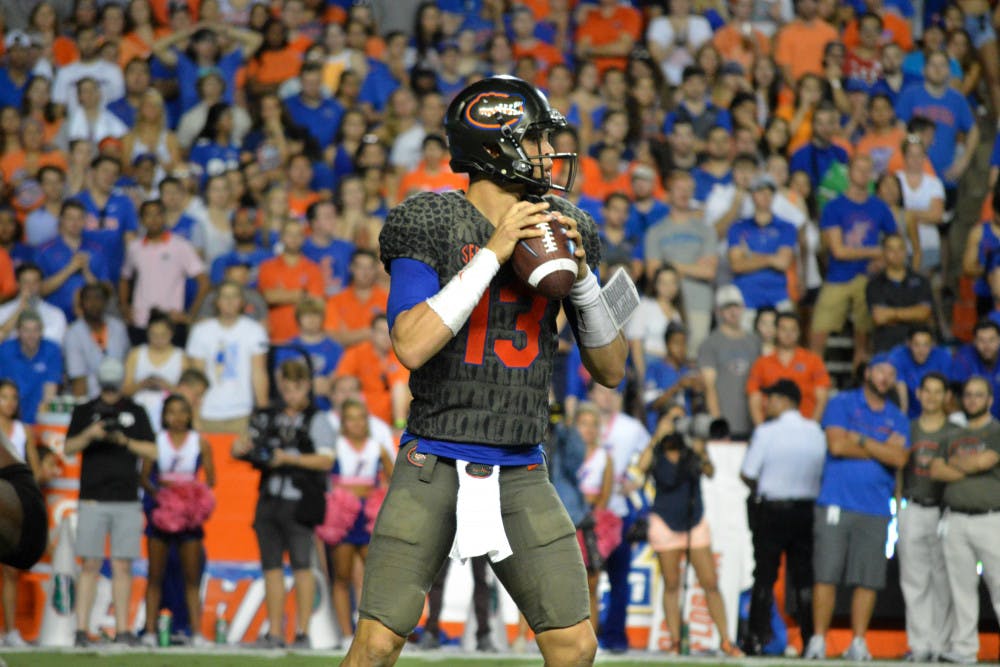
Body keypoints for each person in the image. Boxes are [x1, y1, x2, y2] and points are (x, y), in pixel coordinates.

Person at [342, 76, 630, 666]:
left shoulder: (567, 227)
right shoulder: (430, 220)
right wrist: (495, 253)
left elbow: (611, 369)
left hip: (521, 464)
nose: (552, 154)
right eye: (538, 141)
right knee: (376, 644)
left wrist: (582, 279)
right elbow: (412, 345)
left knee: (575, 645)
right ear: (494, 147)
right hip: (433, 461)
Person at [804, 354, 909, 660]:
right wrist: (882, 448)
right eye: (880, 371)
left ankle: (859, 642)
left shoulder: (897, 415)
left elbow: (900, 458)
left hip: (876, 506)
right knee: (826, 572)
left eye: (891, 373)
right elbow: (836, 445)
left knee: (869, 577)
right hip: (836, 502)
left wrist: (860, 440)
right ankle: (819, 640)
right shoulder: (842, 403)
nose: (884, 378)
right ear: (867, 373)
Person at [232, 359, 336, 649]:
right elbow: (246, 444)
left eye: (296, 388)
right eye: (286, 388)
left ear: (306, 386)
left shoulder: (317, 418)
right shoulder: (269, 417)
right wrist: (241, 448)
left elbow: (327, 459)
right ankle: (275, 633)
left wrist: (289, 458)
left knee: (302, 566)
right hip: (269, 497)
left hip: (300, 501)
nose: (289, 394)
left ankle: (302, 633)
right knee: (271, 567)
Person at [633, 409, 743, 656]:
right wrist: (657, 435)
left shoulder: (690, 449)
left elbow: (710, 471)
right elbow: (640, 467)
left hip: (694, 520)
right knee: (671, 584)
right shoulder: (658, 450)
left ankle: (726, 640)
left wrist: (700, 446)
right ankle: (674, 641)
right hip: (664, 521)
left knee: (710, 582)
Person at [63, 357, 157, 647]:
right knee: (90, 564)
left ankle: (123, 629)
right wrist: (91, 434)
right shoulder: (85, 410)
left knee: (122, 566)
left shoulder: (135, 411)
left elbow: (152, 450)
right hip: (93, 497)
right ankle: (80, 630)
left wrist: (124, 441)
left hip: (126, 498)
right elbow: (68, 448)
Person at [740, 379, 826, 655]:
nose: (768, 403)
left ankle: (756, 639)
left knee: (764, 575)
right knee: (803, 577)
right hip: (804, 510)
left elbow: (748, 473)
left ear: (786, 401)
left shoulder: (767, 432)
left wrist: (766, 485)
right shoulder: (815, 431)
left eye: (773, 398)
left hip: (772, 511)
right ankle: (810, 639)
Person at [929, 376, 1000, 665]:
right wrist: (970, 465)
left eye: (978, 395)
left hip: (990, 519)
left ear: (990, 400)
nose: (972, 400)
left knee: (999, 585)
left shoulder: (996, 430)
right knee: (961, 588)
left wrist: (956, 465)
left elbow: (984, 461)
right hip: (955, 519)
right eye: (968, 395)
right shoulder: (951, 435)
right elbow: (935, 470)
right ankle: (964, 649)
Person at [139, 394, 216, 648]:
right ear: (164, 416)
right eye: (172, 412)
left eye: (183, 412)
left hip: (188, 518)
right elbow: (144, 477)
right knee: (155, 574)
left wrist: (191, 496)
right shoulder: (157, 442)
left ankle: (196, 633)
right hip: (161, 514)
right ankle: (150, 631)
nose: (177, 417)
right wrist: (161, 494)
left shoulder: (200, 443)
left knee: (192, 577)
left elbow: (211, 480)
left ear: (189, 415)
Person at [809, 155, 898, 367]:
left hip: (869, 277)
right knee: (819, 326)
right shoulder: (834, 207)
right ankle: (815, 372)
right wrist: (875, 251)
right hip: (838, 276)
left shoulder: (880, 207)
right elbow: (838, 251)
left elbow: (894, 242)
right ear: (849, 173)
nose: (863, 175)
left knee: (864, 331)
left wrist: (883, 260)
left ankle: (859, 372)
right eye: (859, 169)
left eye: (868, 171)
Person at [320, 398, 394, 646]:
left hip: (368, 515)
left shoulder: (377, 447)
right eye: (351, 418)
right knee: (341, 576)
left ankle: (370, 633)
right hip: (342, 515)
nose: (357, 424)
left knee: (371, 576)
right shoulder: (336, 446)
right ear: (344, 423)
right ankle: (344, 634)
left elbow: (393, 478)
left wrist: (377, 493)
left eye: (361, 418)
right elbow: (324, 476)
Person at [896, 372, 957, 662]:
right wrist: (898, 506)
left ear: (946, 396)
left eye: (937, 391)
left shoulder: (953, 432)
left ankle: (940, 644)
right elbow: (898, 469)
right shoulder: (908, 428)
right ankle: (919, 644)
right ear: (918, 394)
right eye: (927, 391)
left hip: (944, 510)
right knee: (913, 579)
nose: (931, 397)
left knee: (943, 580)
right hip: (913, 506)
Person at [589, 381, 650, 653]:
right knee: (586, 581)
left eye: (611, 392)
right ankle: (586, 637)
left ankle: (615, 637)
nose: (606, 398)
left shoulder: (631, 427)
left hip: (619, 512)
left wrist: (636, 480)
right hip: (587, 515)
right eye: (601, 391)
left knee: (619, 580)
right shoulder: (583, 424)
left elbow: (649, 456)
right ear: (591, 394)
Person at [120, 199, 208, 346]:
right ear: (141, 220)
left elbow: (204, 281)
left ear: (165, 217)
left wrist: (190, 315)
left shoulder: (180, 245)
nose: (153, 219)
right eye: (148, 215)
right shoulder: (134, 248)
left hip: (172, 322)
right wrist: (125, 307)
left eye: (158, 214)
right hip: (141, 321)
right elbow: (125, 278)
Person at [186, 281, 269, 434]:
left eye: (234, 296)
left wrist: (262, 411)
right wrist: (194, 414)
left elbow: (259, 373)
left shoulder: (254, 330)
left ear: (242, 302)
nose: (230, 301)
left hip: (243, 412)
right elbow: (196, 377)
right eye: (225, 297)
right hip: (208, 412)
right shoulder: (201, 331)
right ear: (217, 302)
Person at [0, 379, 42, 648]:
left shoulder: (22, 430)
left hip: (11, 506)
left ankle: (11, 630)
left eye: (14, 397)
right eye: (4, 397)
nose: (10, 403)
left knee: (10, 571)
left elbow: (34, 470)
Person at [727, 175, 798, 323]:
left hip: (777, 295)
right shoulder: (738, 227)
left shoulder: (786, 227)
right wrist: (771, 258)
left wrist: (749, 255)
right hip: (746, 298)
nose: (765, 196)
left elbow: (783, 263)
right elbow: (736, 265)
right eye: (760, 192)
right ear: (752, 195)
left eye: (769, 192)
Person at [697, 286, 761, 440]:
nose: (733, 312)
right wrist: (719, 426)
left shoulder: (754, 341)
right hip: (725, 425)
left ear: (743, 308)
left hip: (751, 422)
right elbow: (709, 386)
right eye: (727, 307)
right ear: (718, 311)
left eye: (736, 306)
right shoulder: (710, 343)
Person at [747, 312, 831, 425]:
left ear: (799, 333)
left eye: (793, 330)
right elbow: (754, 398)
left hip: (804, 425)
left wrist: (812, 427)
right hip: (771, 427)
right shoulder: (762, 363)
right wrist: (762, 429)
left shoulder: (814, 361)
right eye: (783, 329)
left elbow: (822, 398)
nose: (788, 334)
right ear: (776, 331)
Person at [334, 314, 409, 427]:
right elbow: (342, 383)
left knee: (401, 388)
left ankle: (400, 426)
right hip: (362, 409)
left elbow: (402, 386)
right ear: (372, 333)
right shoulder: (356, 353)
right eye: (381, 332)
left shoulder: (399, 355)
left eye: (388, 332)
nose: (385, 337)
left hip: (392, 412)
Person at [258, 219, 324, 345]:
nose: (294, 238)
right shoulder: (267, 267)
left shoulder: (313, 269)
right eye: (289, 234)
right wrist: (302, 293)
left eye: (298, 234)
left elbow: (316, 302)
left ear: (304, 238)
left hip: (305, 339)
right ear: (281, 237)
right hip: (275, 337)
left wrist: (281, 295)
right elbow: (268, 297)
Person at [865, 233, 933, 354]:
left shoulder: (921, 281)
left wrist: (891, 314)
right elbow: (879, 318)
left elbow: (923, 314)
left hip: (918, 345)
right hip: (886, 344)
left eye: (900, 248)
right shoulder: (874, 284)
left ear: (906, 251)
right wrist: (912, 313)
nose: (896, 254)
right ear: (883, 252)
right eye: (891, 249)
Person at [123, 312, 188, 431]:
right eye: (154, 335)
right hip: (139, 414)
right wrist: (142, 385)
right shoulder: (136, 354)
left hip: (170, 418)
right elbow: (125, 391)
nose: (158, 339)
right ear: (147, 333)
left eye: (163, 335)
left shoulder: (181, 357)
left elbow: (186, 395)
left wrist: (167, 386)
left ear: (171, 334)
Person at [63, 283, 130, 399]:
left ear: (105, 302)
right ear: (81, 304)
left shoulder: (118, 327)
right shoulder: (73, 333)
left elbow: (128, 365)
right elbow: (78, 378)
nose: (93, 304)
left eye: (98, 298)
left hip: (120, 396)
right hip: (90, 398)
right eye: (88, 299)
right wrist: (85, 410)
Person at [0, 310, 62, 424]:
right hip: (9, 417)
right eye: (26, 330)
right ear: (18, 331)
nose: (31, 335)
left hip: (39, 416)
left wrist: (43, 418)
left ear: (42, 331)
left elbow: (50, 392)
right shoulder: (5, 350)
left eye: (35, 330)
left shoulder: (52, 350)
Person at [890, 325, 952, 418]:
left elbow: (945, 393)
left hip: (937, 411)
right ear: (908, 344)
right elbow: (901, 391)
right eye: (916, 345)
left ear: (933, 344)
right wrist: (902, 420)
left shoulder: (943, 356)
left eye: (926, 345)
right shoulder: (898, 355)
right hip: (911, 414)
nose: (921, 350)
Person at [0, 262, 66, 343]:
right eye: (26, 282)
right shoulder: (2, 312)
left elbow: (53, 346)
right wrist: (20, 309)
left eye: (35, 282)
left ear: (41, 284)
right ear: (17, 284)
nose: (30, 287)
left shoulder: (56, 314)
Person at [950, 320, 1000, 420]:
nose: (987, 346)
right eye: (981, 340)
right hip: (973, 422)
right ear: (974, 341)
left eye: (991, 340)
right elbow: (954, 397)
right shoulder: (964, 357)